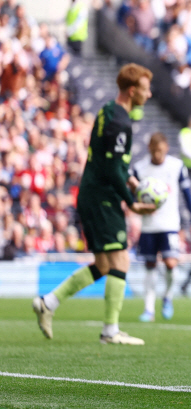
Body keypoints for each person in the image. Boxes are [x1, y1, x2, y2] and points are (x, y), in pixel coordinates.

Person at [32, 63, 155, 345]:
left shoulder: (107, 111)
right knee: (120, 259)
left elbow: (110, 162)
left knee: (102, 264)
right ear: (133, 90)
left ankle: (48, 303)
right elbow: (112, 170)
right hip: (102, 198)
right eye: (146, 91)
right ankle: (110, 331)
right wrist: (131, 203)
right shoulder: (120, 121)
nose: (149, 96)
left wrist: (133, 182)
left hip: (94, 193)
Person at [132, 132, 191, 322]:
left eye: (160, 150)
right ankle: (148, 309)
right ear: (149, 149)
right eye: (154, 151)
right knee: (150, 265)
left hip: (170, 223)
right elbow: (131, 196)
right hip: (148, 225)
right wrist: (138, 207)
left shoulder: (176, 166)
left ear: (166, 148)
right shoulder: (139, 168)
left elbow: (187, 195)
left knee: (171, 262)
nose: (157, 154)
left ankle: (168, 297)